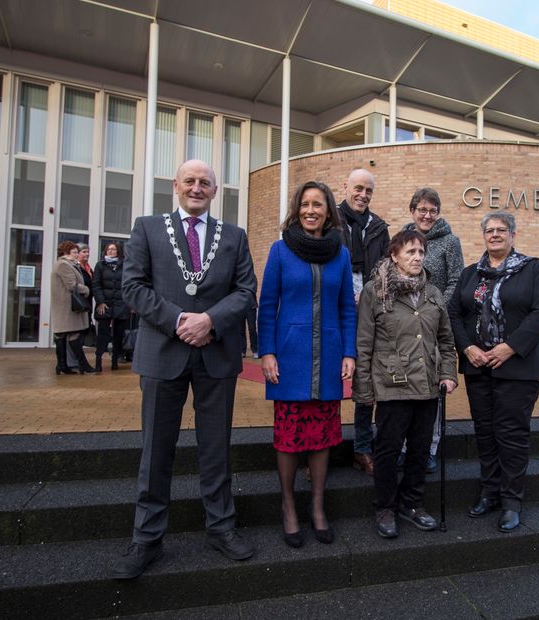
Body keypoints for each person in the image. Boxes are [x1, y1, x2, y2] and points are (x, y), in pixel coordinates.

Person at [113, 159, 258, 579]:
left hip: (216, 352)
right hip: (163, 351)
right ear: (176, 186)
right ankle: (147, 539)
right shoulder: (147, 228)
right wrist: (181, 321)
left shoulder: (233, 236)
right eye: (190, 181)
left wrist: (209, 321)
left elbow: (246, 290)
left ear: (215, 191)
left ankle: (221, 527)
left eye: (205, 183)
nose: (197, 187)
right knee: (156, 449)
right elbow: (132, 287)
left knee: (216, 449)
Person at [258, 181, 356, 548]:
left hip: (329, 356)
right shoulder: (280, 251)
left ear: (329, 210)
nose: (311, 210)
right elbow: (267, 305)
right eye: (305, 204)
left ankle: (317, 507)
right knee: (288, 438)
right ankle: (288, 507)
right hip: (290, 358)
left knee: (322, 438)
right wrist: (266, 351)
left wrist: (349, 353)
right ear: (297, 210)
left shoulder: (341, 255)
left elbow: (347, 306)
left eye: (318, 204)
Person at [447, 212, 539, 533]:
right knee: (485, 432)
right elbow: (453, 313)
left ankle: (511, 501)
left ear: (513, 235)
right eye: (489, 231)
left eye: (501, 230)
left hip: (518, 369)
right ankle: (489, 492)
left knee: (511, 434)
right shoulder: (471, 275)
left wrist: (509, 347)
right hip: (479, 368)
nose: (494, 235)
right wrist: (467, 348)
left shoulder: (533, 269)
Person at [354, 229, 457, 539]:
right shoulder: (376, 291)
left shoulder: (433, 293)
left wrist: (449, 373)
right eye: (410, 252)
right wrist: (364, 391)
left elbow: (446, 340)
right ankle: (385, 506)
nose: (417, 257)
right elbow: (364, 343)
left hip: (427, 384)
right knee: (386, 450)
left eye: (421, 252)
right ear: (394, 256)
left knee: (420, 449)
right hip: (391, 384)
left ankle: (411, 504)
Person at [398, 188, 463, 474]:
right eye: (422, 209)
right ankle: (403, 447)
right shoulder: (402, 237)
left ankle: (429, 449)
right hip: (404, 322)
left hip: (434, 322)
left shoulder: (450, 241)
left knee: (432, 388)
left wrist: (434, 309)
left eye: (432, 210)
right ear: (412, 210)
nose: (427, 215)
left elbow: (457, 281)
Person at [337, 167, 389, 475]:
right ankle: (320, 449)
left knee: (367, 382)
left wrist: (370, 297)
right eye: (358, 188)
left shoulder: (379, 226)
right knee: (330, 381)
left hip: (370, 314)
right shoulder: (331, 221)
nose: (363, 195)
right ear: (344, 186)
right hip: (336, 310)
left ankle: (362, 447)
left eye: (368, 190)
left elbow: (385, 269)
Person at [50, 240, 98, 375]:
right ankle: (78, 365)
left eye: (77, 252)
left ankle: (63, 366)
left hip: (68, 307)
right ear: (66, 253)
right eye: (74, 252)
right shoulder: (63, 265)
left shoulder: (68, 264)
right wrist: (87, 290)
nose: (77, 255)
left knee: (66, 336)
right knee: (71, 336)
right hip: (67, 307)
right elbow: (71, 285)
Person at [92, 242, 127, 372]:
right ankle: (98, 361)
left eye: (114, 249)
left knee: (118, 335)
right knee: (103, 334)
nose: (111, 251)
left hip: (120, 304)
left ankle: (115, 361)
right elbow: (96, 285)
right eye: (109, 249)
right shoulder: (100, 265)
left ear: (118, 251)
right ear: (105, 251)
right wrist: (100, 301)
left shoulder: (124, 265)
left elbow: (127, 284)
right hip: (104, 305)